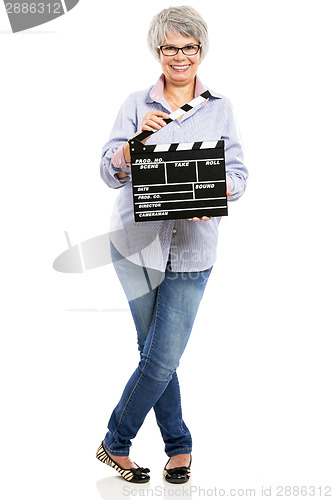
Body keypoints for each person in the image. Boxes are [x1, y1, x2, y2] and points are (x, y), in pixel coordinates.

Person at [96, 5, 248, 484]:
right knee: (155, 353)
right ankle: (179, 446)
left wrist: (218, 193)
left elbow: (240, 174)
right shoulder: (135, 103)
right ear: (157, 51)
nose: (179, 56)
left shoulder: (220, 107)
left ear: (201, 51)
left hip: (194, 247)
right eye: (170, 48)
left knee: (161, 356)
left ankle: (115, 441)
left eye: (188, 47)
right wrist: (132, 146)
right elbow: (107, 172)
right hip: (136, 246)